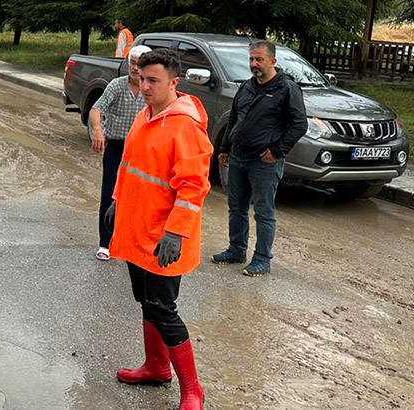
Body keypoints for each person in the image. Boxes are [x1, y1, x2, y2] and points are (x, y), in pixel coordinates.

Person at [108, 49, 210, 410]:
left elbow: (194, 186)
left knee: (163, 308)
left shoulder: (185, 125)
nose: (145, 86)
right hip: (138, 229)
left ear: (174, 83)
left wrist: (176, 232)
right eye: (142, 78)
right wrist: (117, 200)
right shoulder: (145, 115)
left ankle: (193, 390)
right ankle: (156, 366)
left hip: (165, 237)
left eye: (154, 81)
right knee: (146, 302)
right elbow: (129, 164)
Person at [211, 40, 307, 277]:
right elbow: (234, 118)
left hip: (264, 162)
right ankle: (236, 250)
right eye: (251, 59)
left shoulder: (286, 89)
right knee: (236, 207)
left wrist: (277, 151)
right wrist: (225, 147)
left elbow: (299, 124)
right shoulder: (246, 87)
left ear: (273, 61)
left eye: (259, 59)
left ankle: (262, 259)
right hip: (238, 158)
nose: (254, 64)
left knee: (264, 212)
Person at [89, 44, 149, 260]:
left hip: (142, 150)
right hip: (116, 147)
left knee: (139, 197)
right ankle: (105, 243)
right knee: (110, 193)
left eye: (140, 64)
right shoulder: (117, 86)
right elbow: (97, 109)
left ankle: (131, 243)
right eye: (132, 62)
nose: (135, 68)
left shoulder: (150, 89)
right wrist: (98, 130)